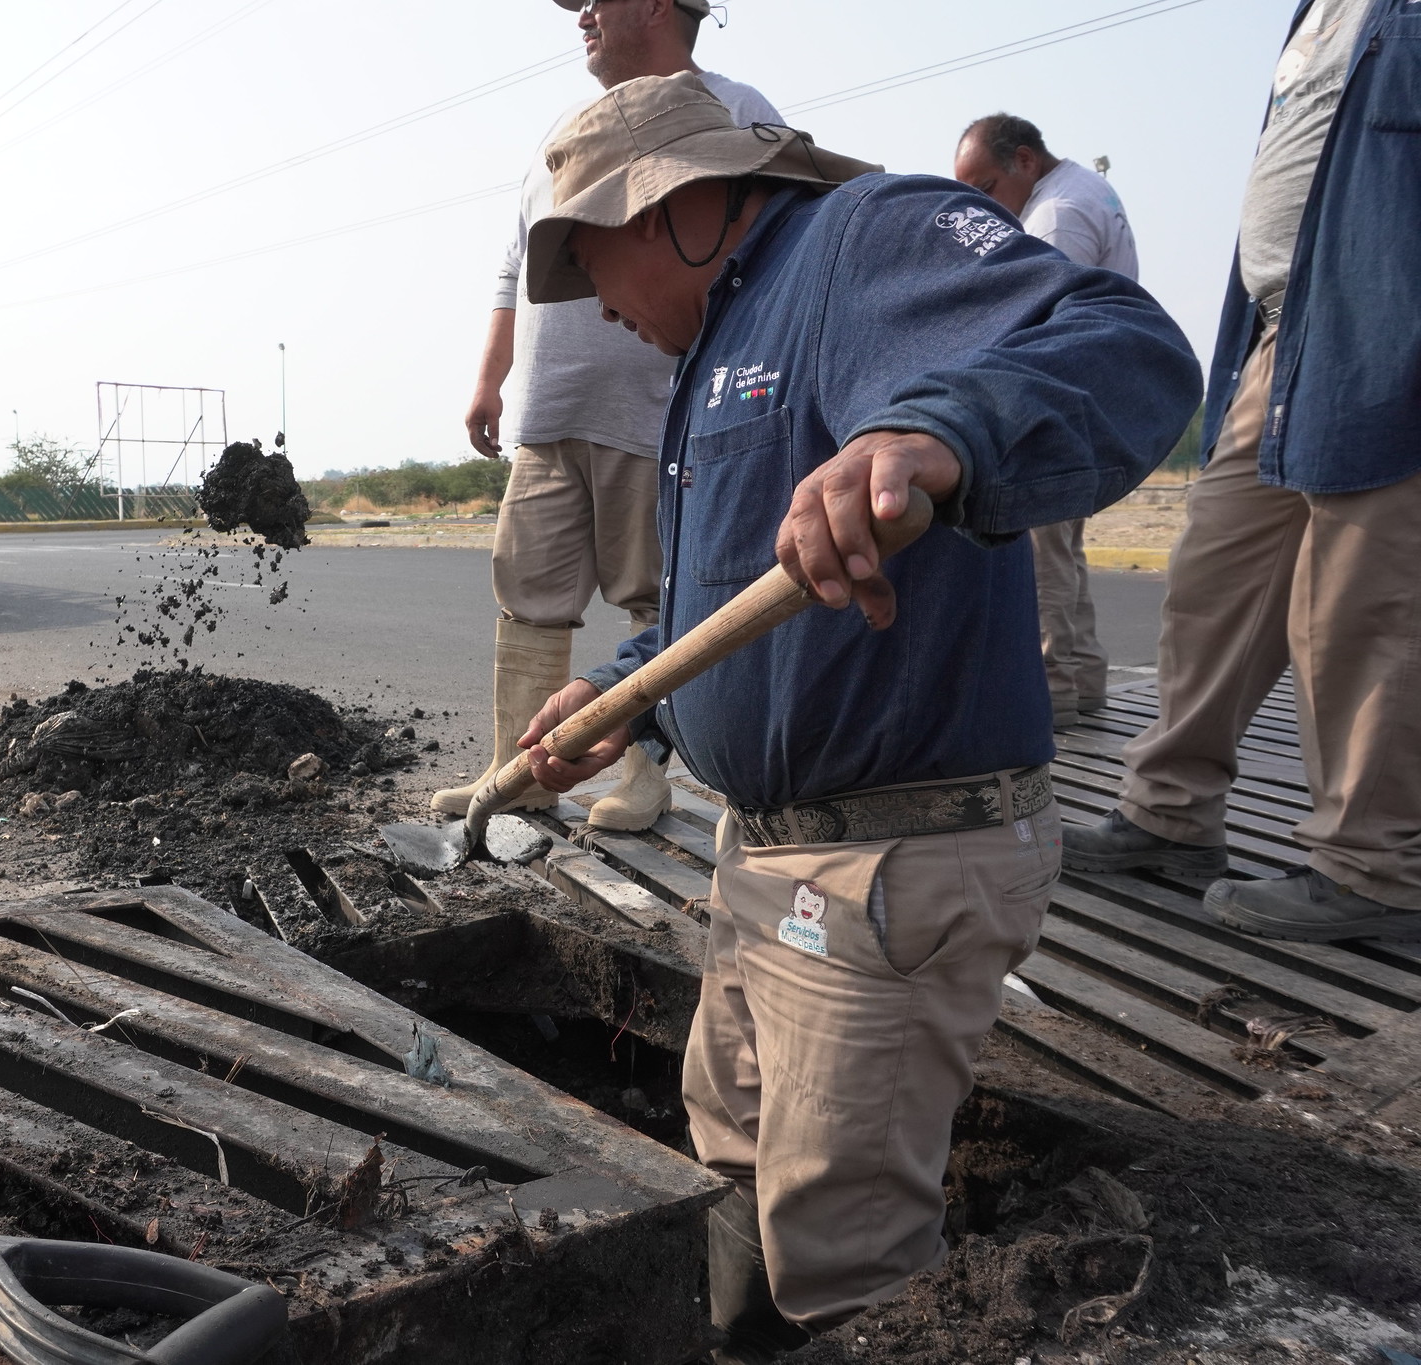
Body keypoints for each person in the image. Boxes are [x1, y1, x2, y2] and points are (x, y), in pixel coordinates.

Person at [514, 74, 1199, 1358]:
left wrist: (941, 431)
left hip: (885, 860)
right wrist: (631, 701)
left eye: (591, 253)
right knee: (726, 1144)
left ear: (679, 207)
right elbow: (726, 606)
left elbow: (1125, 347)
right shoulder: (719, 346)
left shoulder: (861, 242)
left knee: (845, 1247)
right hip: (767, 851)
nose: (594, 303)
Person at [1062, 0, 1421, 942]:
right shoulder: (1316, 16)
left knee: (1359, 607)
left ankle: (1375, 869)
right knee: (1214, 583)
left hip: (1382, 323)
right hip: (1278, 331)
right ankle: (1169, 816)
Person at [432, 0, 780, 832]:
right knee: (529, 593)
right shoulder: (568, 128)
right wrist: (491, 378)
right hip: (553, 411)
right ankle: (521, 772)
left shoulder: (736, 112)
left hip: (654, 412)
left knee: (652, 595)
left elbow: (767, 251)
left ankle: (643, 772)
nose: (581, 12)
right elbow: (517, 266)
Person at [954, 113, 1139, 730]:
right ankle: (1082, 678)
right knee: (1064, 549)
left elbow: (1035, 320)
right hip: (1090, 393)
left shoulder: (1056, 216)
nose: (979, 204)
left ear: (1025, 161)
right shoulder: (1088, 189)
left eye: (983, 187)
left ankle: (1052, 688)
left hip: (1056, 401)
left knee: (1042, 551)